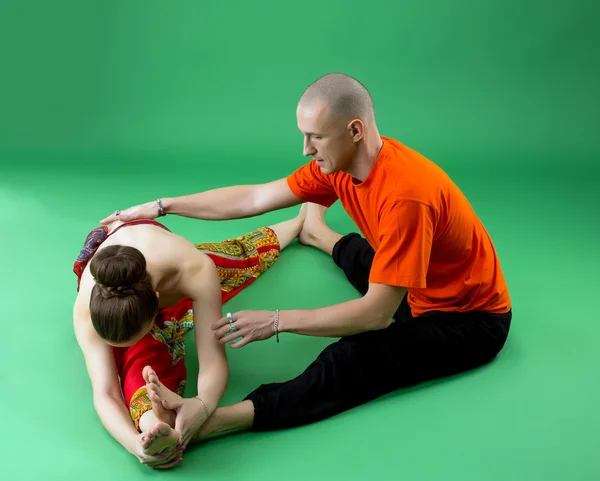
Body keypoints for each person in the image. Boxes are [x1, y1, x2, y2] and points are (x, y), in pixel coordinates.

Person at [101, 72, 512, 441]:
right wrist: (162, 206)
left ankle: (221, 419)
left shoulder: (406, 198)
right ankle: (319, 234)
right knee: (370, 256)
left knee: (353, 357)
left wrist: (278, 321)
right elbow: (257, 197)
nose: (304, 149)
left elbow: (375, 315)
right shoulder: (339, 166)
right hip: (420, 284)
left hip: (467, 318)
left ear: (355, 130)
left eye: (315, 137)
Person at [73, 206, 308, 468]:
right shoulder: (86, 306)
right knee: (139, 360)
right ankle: (154, 424)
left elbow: (212, 358)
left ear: (158, 304)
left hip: (169, 264)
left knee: (244, 257)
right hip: (125, 276)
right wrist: (134, 446)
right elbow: (105, 391)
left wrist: (203, 404)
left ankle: (299, 222)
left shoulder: (192, 267)